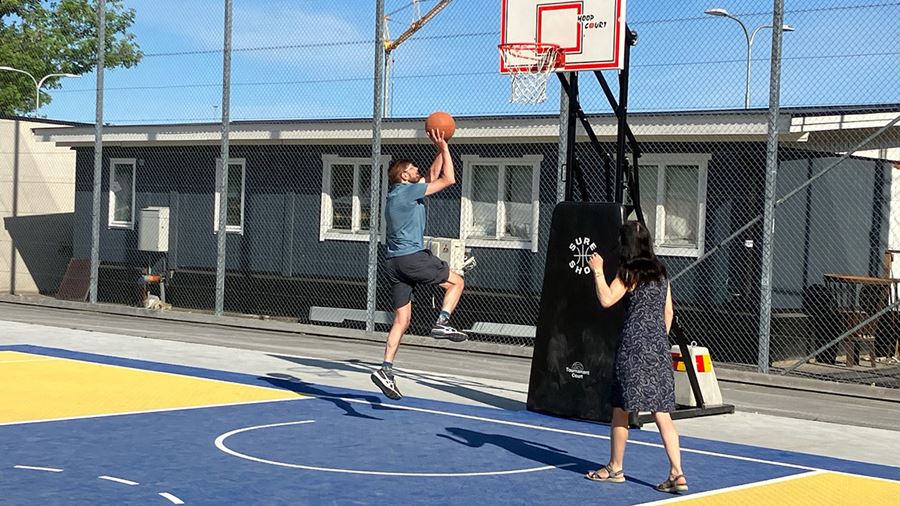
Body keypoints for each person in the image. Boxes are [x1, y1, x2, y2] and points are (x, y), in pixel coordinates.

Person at [584, 221, 688, 494]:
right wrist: (656, 339)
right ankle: (677, 472)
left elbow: (607, 300)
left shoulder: (628, 273)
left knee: (621, 408)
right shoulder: (661, 273)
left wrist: (597, 271)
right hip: (658, 348)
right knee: (662, 412)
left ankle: (615, 467)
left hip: (633, 347)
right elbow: (668, 313)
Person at [370, 129, 468, 401]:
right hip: (413, 258)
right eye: (413, 169)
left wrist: (440, 147)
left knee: (402, 320)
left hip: (393, 263)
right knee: (457, 282)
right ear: (404, 176)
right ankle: (443, 322)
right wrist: (447, 149)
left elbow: (432, 175)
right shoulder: (408, 191)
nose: (417, 172)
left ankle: (385, 369)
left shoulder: (398, 193)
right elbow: (447, 178)